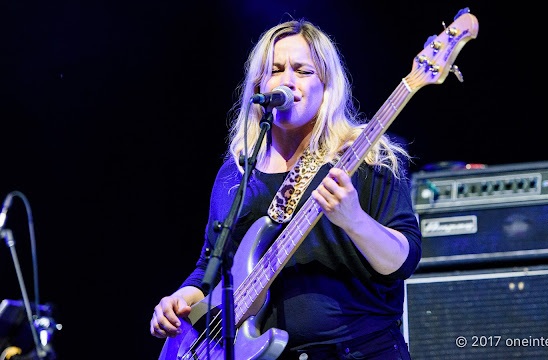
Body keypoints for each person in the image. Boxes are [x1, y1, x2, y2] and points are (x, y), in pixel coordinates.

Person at [150, 19, 422, 360]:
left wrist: (353, 220)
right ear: (259, 85)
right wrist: (182, 298)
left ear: (327, 85)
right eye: (275, 69)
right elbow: (211, 264)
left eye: (303, 71)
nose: (287, 80)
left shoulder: (366, 158)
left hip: (361, 351)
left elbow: (403, 261)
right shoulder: (237, 174)